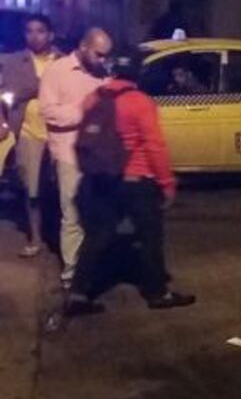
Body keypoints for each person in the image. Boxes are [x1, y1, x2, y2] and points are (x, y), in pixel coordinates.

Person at [65, 52, 194, 315]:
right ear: (138, 74)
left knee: (97, 237)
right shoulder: (140, 102)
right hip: (137, 180)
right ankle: (158, 292)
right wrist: (167, 182)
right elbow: (154, 145)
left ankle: (77, 294)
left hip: (101, 178)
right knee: (150, 237)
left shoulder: (94, 98)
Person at [38, 28, 110, 287]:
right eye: (98, 54)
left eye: (106, 56)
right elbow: (48, 112)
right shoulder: (57, 72)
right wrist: (84, 112)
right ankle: (72, 273)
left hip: (97, 155)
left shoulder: (102, 74)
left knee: (95, 214)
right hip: (69, 153)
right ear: (83, 45)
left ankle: (89, 266)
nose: (103, 61)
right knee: (72, 215)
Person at [0, 14, 61, 258]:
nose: (34, 36)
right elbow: (8, 92)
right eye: (29, 31)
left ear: (51, 34)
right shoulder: (14, 61)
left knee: (61, 188)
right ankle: (35, 237)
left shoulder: (63, 61)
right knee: (32, 188)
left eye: (40, 31)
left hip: (59, 132)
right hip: (28, 131)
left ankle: (57, 236)